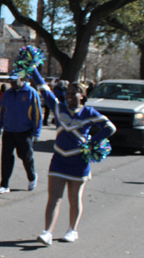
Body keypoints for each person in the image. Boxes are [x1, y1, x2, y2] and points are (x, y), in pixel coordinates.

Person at [30, 69, 115, 245]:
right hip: (59, 159)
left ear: (82, 96)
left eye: (72, 93)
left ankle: (72, 230)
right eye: (67, 93)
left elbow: (110, 128)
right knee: (53, 198)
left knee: (74, 198)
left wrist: (93, 142)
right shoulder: (58, 107)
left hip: (79, 161)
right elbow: (44, 89)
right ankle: (47, 232)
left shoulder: (89, 112)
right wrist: (32, 68)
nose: (68, 96)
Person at [0, 74, 43, 194]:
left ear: (21, 80)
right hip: (9, 130)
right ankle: (4, 184)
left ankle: (32, 177)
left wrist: (36, 132)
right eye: (11, 82)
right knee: (6, 158)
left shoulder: (31, 92)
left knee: (25, 156)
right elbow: (1, 111)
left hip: (24, 131)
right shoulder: (8, 93)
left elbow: (37, 114)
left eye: (15, 81)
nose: (13, 84)